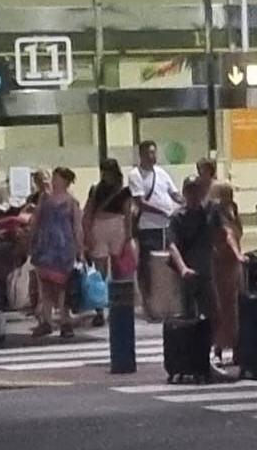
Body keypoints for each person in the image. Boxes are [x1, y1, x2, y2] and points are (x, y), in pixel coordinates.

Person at [130, 140, 184, 318]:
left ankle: (166, 299)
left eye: (154, 153)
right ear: (142, 155)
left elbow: (173, 193)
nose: (153, 157)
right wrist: (163, 211)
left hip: (166, 226)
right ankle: (148, 302)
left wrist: (184, 202)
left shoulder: (161, 173)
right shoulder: (135, 175)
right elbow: (140, 202)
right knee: (147, 265)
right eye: (149, 153)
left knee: (168, 262)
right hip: (148, 227)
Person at [30, 167, 83, 338]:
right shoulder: (44, 198)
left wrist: (80, 249)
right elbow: (36, 220)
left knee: (62, 287)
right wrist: (32, 239)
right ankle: (46, 320)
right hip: (45, 246)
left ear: (65, 181)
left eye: (57, 178)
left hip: (63, 248)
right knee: (45, 286)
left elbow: (77, 226)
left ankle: (64, 321)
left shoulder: (71, 202)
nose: (53, 180)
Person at [84, 159, 134, 327]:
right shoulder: (96, 189)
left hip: (116, 226)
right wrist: (87, 234)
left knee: (119, 268)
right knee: (100, 271)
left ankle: (118, 307)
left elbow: (128, 214)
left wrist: (129, 236)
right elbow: (89, 211)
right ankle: (100, 309)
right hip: (102, 226)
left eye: (108, 171)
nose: (106, 174)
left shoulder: (124, 191)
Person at [167, 176, 219, 320]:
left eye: (197, 191)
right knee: (188, 315)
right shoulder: (177, 217)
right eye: (190, 192)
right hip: (188, 273)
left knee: (212, 314)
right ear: (184, 194)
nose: (194, 196)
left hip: (207, 271)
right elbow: (172, 245)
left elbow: (221, 234)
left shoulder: (210, 212)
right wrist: (182, 268)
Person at [209, 182, 244, 364]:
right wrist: (238, 254)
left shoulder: (233, 209)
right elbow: (228, 233)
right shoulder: (214, 212)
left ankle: (236, 348)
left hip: (232, 264)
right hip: (220, 263)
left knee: (235, 307)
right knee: (221, 308)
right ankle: (218, 349)